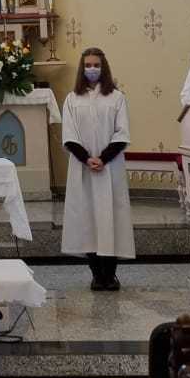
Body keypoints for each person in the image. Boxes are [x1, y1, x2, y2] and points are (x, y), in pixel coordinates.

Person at [61, 47, 134, 291]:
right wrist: (87, 159)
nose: (92, 69)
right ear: (82, 69)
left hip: (109, 169)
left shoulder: (116, 98)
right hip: (83, 170)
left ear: (104, 68)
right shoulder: (73, 99)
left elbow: (122, 133)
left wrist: (103, 158)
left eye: (96, 65)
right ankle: (96, 275)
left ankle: (110, 275)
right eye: (88, 65)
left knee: (110, 219)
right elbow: (69, 134)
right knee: (88, 221)